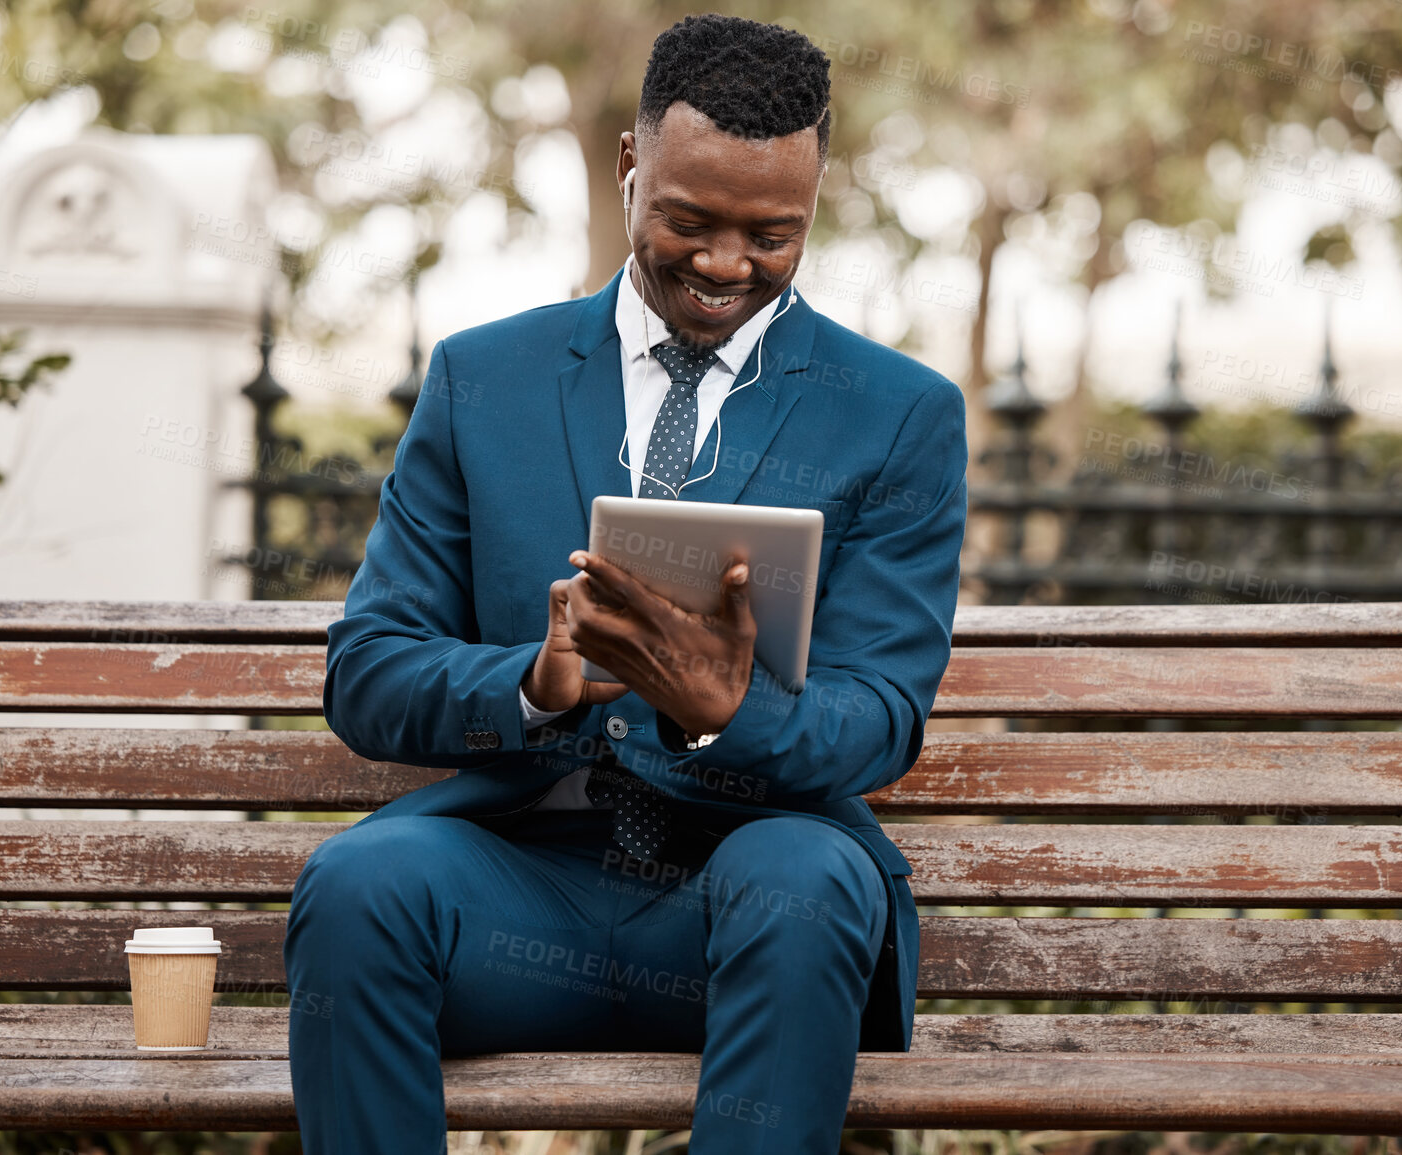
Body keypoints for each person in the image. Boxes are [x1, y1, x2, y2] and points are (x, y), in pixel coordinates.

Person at [284, 13, 968, 1154]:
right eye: (688, 220)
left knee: (804, 876)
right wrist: (540, 681)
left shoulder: (897, 416)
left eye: (774, 236)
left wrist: (725, 710)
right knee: (362, 884)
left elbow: (879, 719)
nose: (724, 265)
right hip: (514, 890)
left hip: (747, 913)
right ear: (626, 167)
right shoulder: (480, 379)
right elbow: (369, 671)